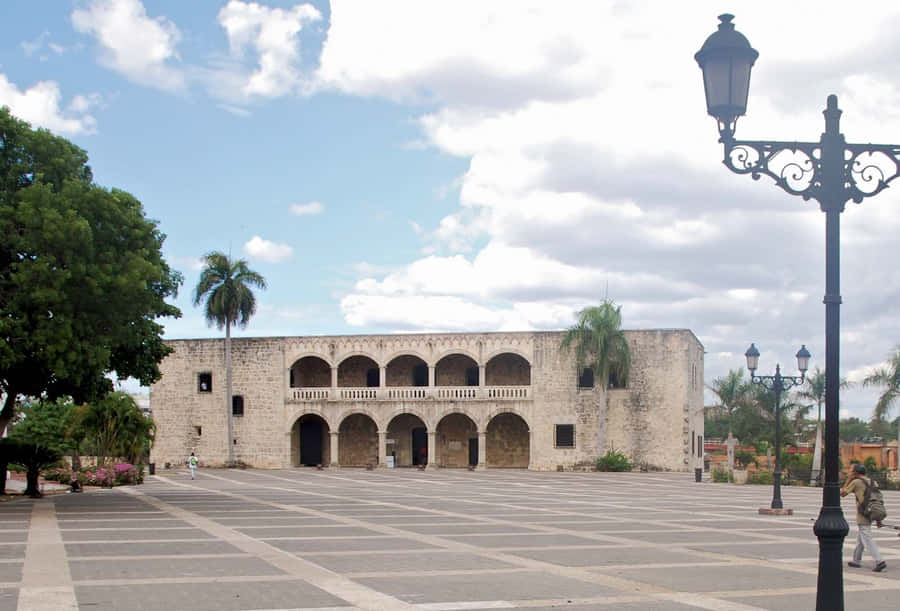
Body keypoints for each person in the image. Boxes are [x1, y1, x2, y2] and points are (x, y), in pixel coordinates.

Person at [841, 463, 886, 572]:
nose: (849, 472)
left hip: (863, 513)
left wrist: (848, 480)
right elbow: (877, 500)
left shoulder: (856, 482)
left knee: (866, 537)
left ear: (855, 472)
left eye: (851, 470)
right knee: (861, 538)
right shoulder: (873, 482)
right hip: (872, 511)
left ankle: (879, 561)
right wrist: (878, 520)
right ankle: (856, 560)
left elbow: (843, 493)